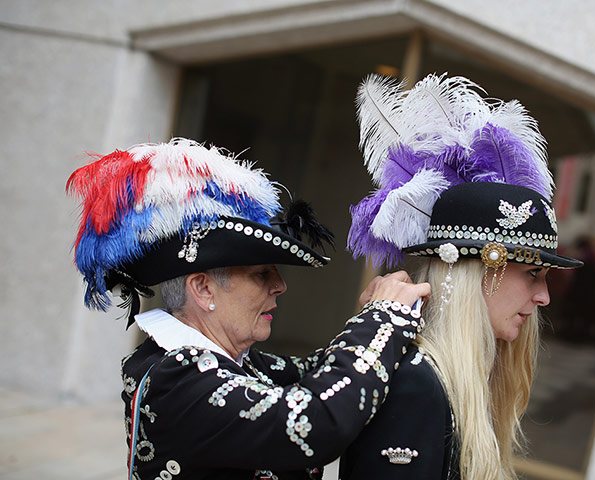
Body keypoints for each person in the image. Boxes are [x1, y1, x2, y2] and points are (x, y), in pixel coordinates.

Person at [66, 138, 430, 479]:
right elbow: (315, 424)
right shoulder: (174, 378)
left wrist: (370, 320)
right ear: (203, 288)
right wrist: (385, 318)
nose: (280, 285)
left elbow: (314, 372)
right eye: (261, 274)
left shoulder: (225, 361)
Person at [342, 74, 583, 480]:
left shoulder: (452, 377)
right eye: (532, 274)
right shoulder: (417, 382)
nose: (544, 297)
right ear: (476, 272)